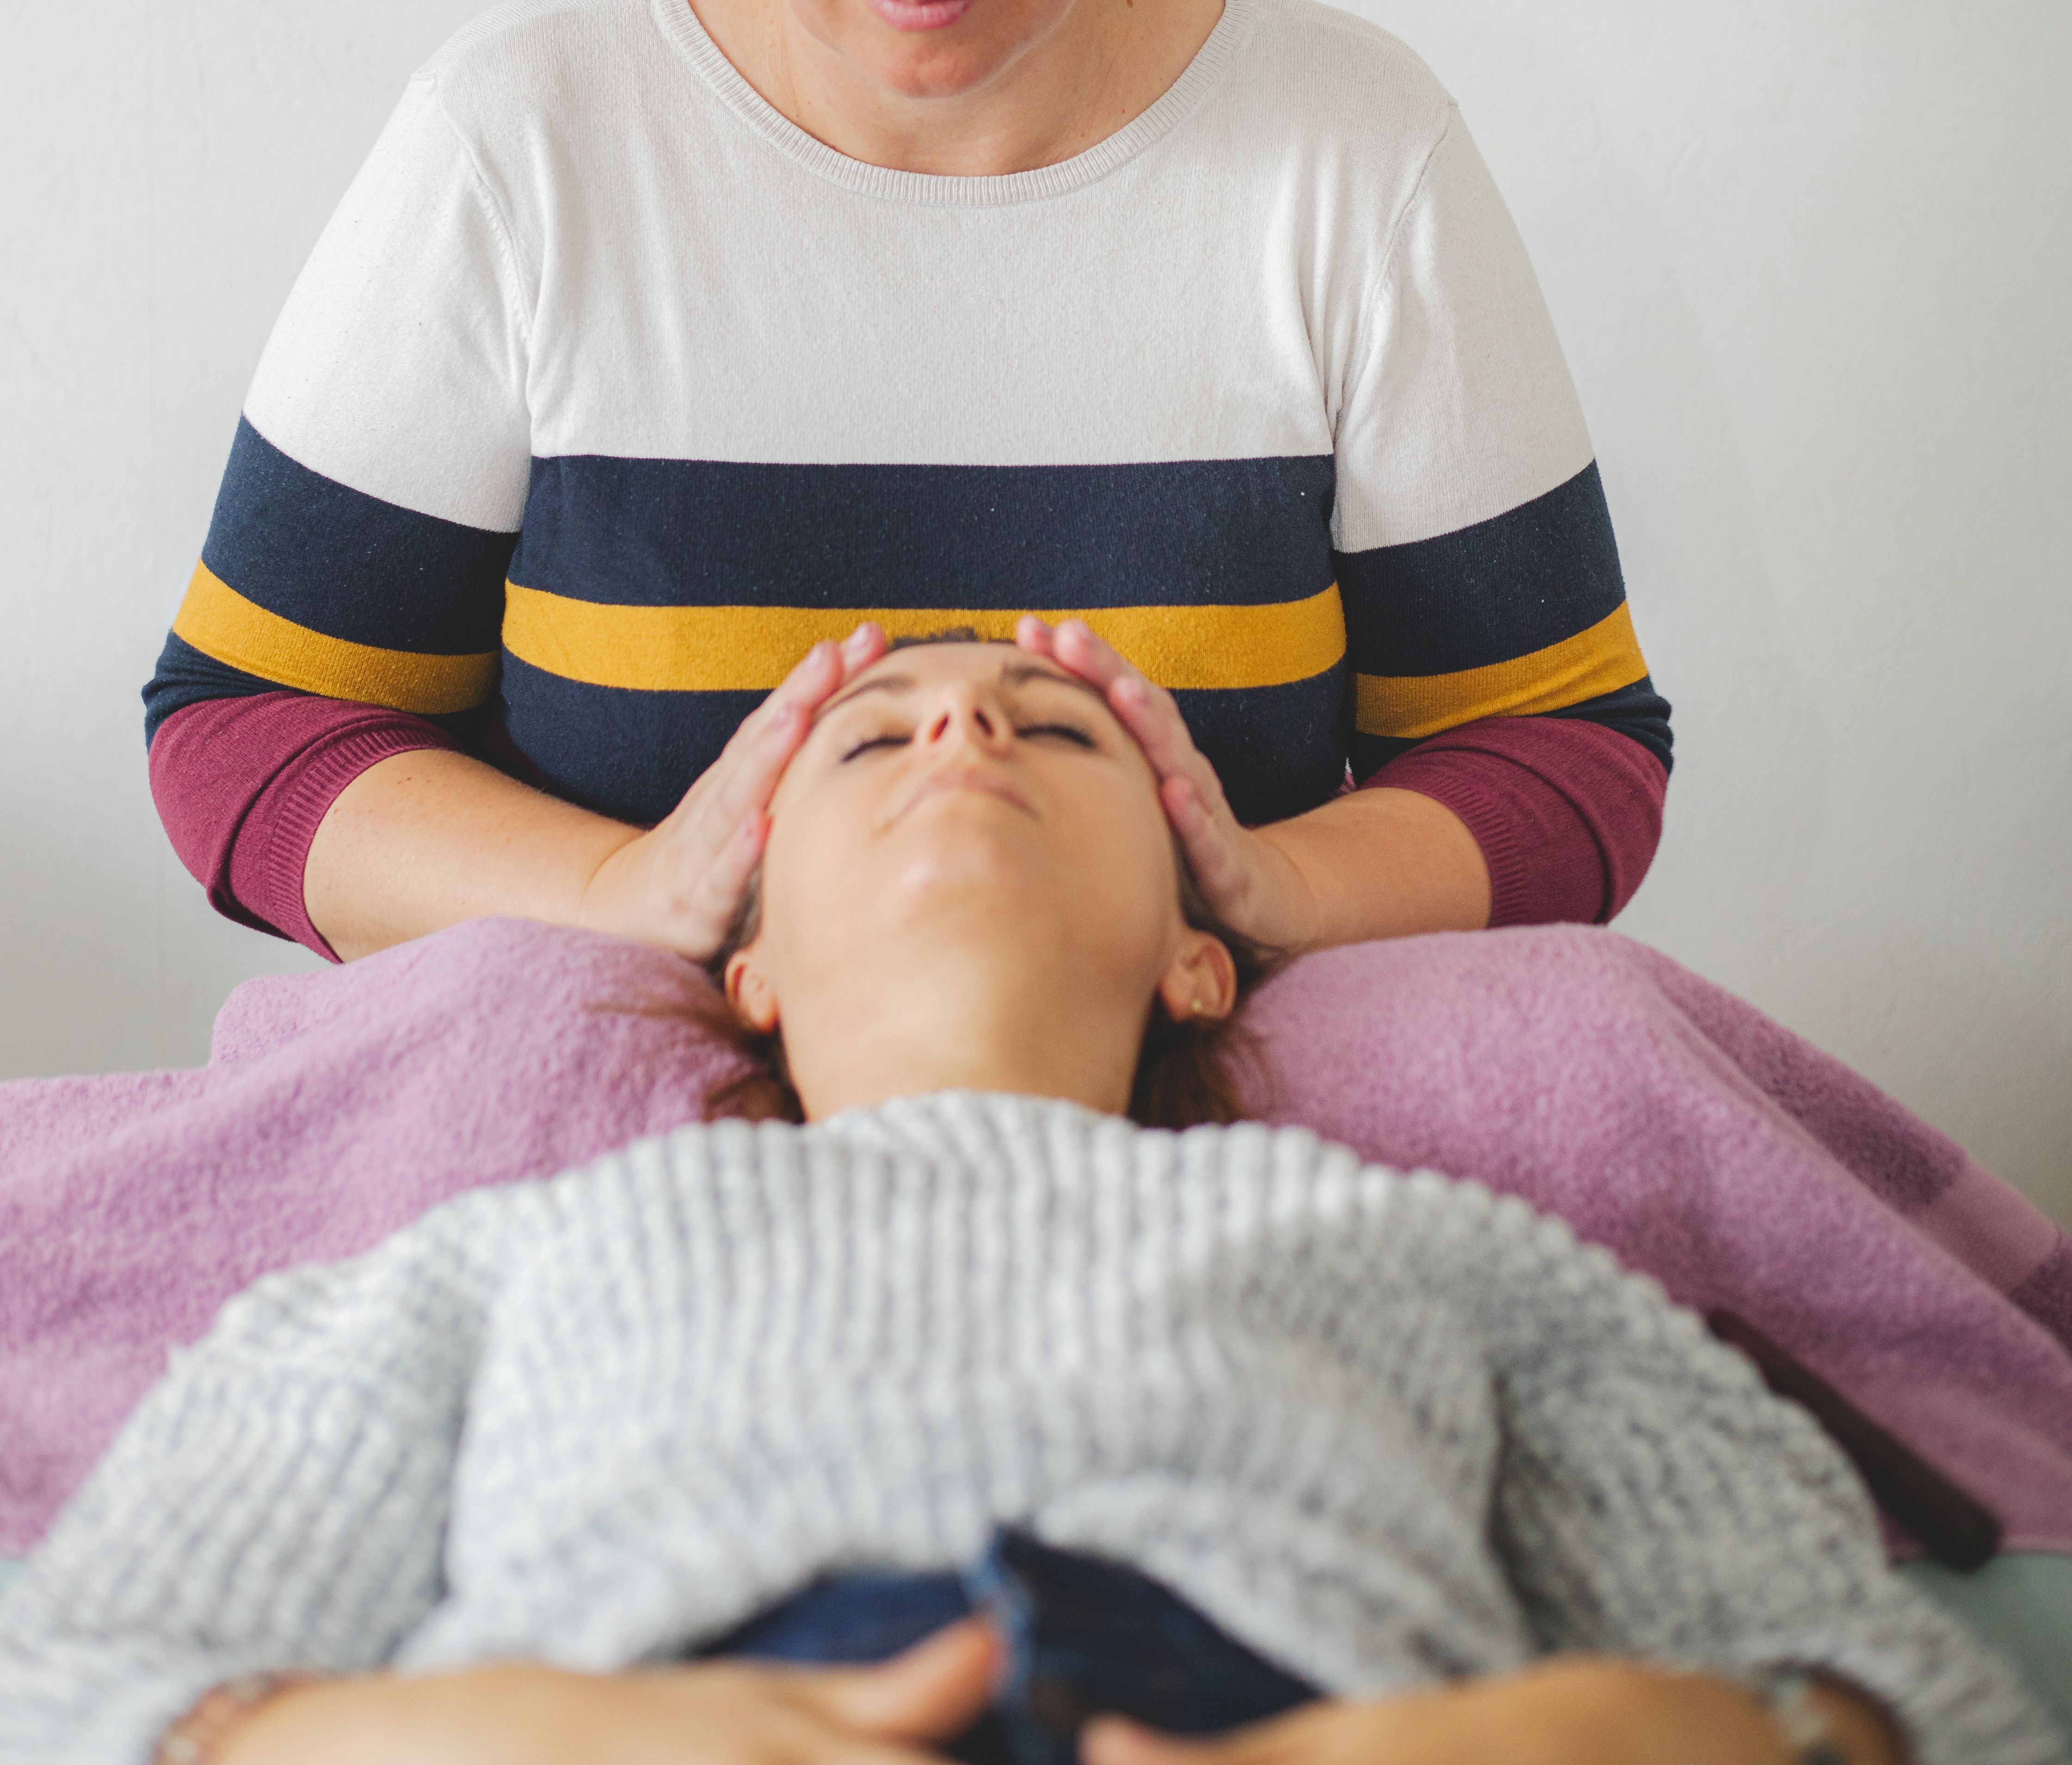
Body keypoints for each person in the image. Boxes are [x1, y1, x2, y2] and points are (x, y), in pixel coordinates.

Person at [144, 0, 1673, 976]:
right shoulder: (521, 143)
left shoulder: (1354, 157)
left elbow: (1563, 750)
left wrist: (1254, 894)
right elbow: (248, 729)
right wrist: (628, 899)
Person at [3, 635, 2050, 1765]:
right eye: (870, 737)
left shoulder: (1440, 1254)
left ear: (1198, 951)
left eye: (1051, 726)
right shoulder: (478, 1264)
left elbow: (1901, 1690)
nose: (962, 719)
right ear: (750, 967)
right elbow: (88, 1680)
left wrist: (1630, 1739)